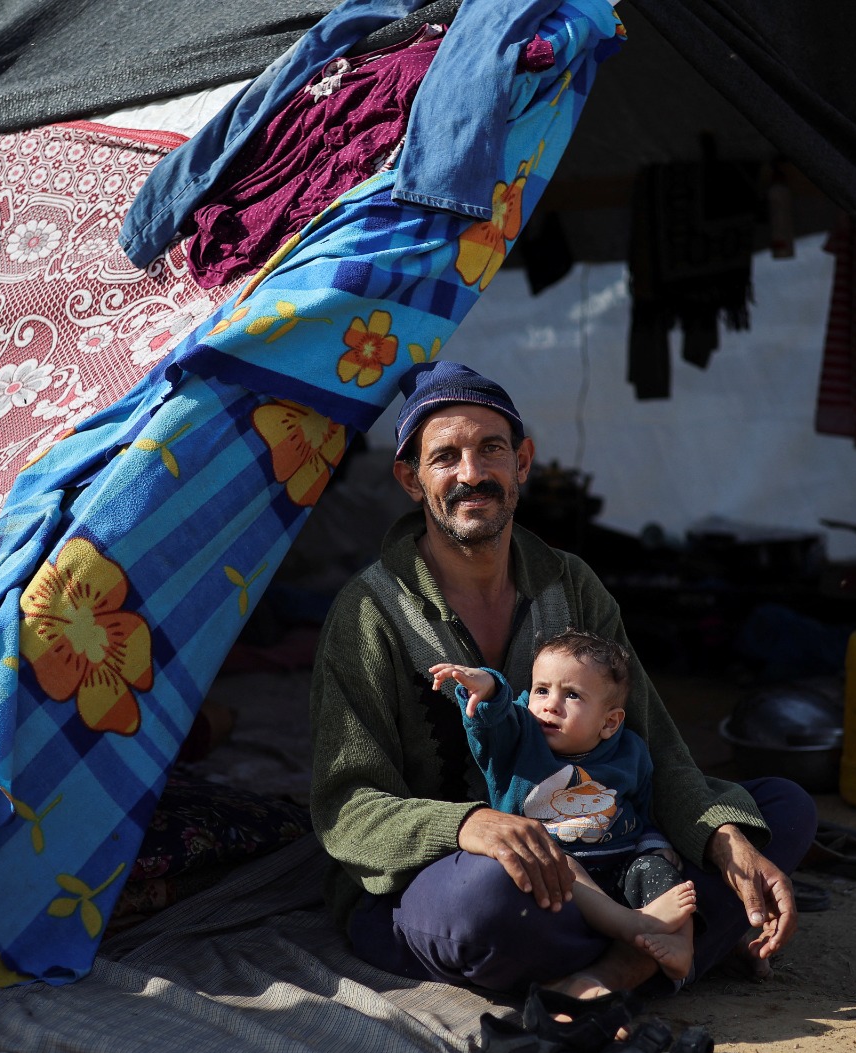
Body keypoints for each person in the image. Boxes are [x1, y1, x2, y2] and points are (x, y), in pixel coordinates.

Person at [308, 360, 817, 1006]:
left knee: (778, 813)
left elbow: (653, 743)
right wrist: (470, 826)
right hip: (451, 882)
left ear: (523, 461)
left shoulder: (571, 584)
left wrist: (722, 838)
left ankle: (612, 972)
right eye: (446, 458)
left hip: (607, 855)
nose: (472, 474)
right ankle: (671, 942)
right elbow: (345, 807)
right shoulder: (368, 613)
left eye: (491, 449)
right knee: (487, 905)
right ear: (411, 480)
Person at [430, 630, 699, 982]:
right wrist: (488, 689)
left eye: (572, 695)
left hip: (619, 871)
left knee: (660, 870)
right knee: (564, 863)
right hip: (556, 880)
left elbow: (641, 810)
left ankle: (682, 945)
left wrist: (656, 845)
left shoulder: (630, 753)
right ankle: (633, 924)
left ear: (609, 722)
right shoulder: (519, 741)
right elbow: (491, 723)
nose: (550, 704)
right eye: (542, 690)